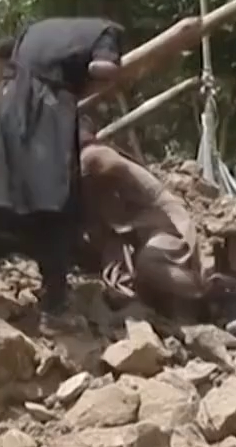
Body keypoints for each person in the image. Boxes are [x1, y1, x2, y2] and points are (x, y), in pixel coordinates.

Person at [0, 17, 123, 314]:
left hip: (6, 101)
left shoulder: (37, 27)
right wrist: (112, 78)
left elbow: (2, 57)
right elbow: (102, 68)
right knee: (58, 196)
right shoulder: (107, 32)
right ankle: (55, 291)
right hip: (48, 106)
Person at [77, 134, 206, 317]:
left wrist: (81, 175)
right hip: (140, 229)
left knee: (148, 263)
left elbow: (113, 164)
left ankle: (217, 292)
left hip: (167, 223)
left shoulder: (93, 154)